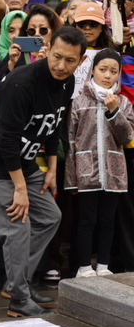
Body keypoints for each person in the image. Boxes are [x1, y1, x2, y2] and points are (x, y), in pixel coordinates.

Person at [0, 26, 88, 318]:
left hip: (25, 162)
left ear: (81, 61)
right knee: (18, 227)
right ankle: (19, 300)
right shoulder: (21, 83)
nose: (61, 66)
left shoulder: (67, 83)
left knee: (49, 217)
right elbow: (6, 141)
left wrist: (51, 168)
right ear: (47, 48)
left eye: (70, 60)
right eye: (57, 57)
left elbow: (53, 124)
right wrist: (20, 189)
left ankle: (16, 283)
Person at [65, 49, 134, 277]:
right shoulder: (79, 101)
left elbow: (127, 137)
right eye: (102, 69)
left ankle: (103, 265)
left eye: (113, 71)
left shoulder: (123, 103)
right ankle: (84, 266)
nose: (107, 75)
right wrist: (72, 179)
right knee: (86, 220)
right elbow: (71, 141)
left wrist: (113, 111)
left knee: (107, 219)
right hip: (86, 172)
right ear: (92, 70)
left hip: (114, 172)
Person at [0, 10, 26, 93]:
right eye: (11, 31)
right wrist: (10, 63)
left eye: (22, 30)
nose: (16, 35)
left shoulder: (34, 55)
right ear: (4, 32)